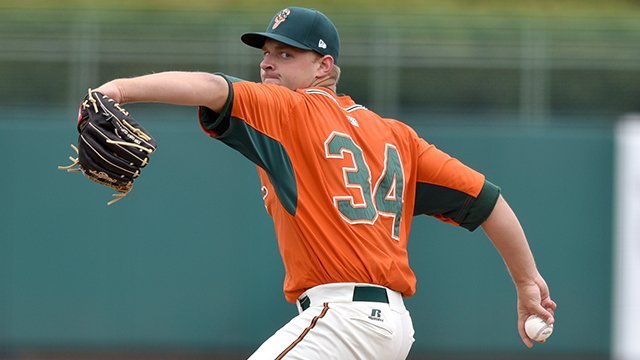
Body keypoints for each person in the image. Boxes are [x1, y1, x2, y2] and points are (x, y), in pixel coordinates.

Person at [92, 6, 556, 359]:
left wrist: (117, 89)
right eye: (267, 54)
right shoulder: (400, 138)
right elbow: (488, 202)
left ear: (324, 67)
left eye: (286, 54)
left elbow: (211, 86)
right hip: (393, 330)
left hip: (342, 321)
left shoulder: (291, 109)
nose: (268, 64)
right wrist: (527, 282)